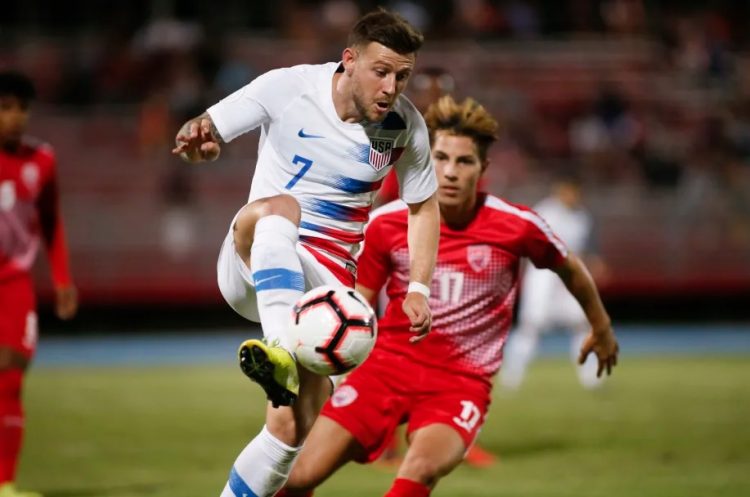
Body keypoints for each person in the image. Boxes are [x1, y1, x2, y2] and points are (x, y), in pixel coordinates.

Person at [276, 95, 619, 497]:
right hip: (384, 371)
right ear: (425, 160)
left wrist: (601, 326)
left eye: (464, 161)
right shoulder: (387, 224)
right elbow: (356, 305)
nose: (451, 172)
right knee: (298, 477)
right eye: (441, 158)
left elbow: (570, 267)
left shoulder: (516, 226)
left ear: (483, 168)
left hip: (460, 384)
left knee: (419, 467)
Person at [171, 9, 440, 497]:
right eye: (381, 71)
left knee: (288, 432)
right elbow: (205, 126)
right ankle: (278, 349)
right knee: (279, 208)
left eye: (402, 76)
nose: (391, 87)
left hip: (327, 296)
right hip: (255, 258)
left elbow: (423, 208)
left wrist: (418, 287)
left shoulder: (405, 128)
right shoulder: (288, 87)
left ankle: (277, 377)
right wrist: (198, 141)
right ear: (349, 60)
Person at [0, 71, 78, 497]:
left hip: (13, 282)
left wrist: (62, 277)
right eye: (5, 107)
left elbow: (51, 221)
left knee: (11, 376)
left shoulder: (41, 160)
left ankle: (5, 483)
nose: (15, 117)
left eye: (22, 108)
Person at [501, 174, 610, 390]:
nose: (573, 196)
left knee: (581, 324)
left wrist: (594, 264)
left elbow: (582, 248)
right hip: (544, 274)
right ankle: (512, 376)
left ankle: (591, 378)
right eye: (569, 191)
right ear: (560, 191)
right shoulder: (546, 212)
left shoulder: (582, 217)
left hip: (569, 275)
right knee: (531, 326)